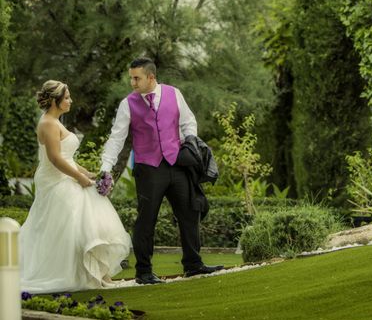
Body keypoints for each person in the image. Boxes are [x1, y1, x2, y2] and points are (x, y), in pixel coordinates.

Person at [100, 57, 222, 285]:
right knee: (147, 220)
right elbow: (117, 139)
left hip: (177, 163)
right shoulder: (128, 104)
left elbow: (188, 122)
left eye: (137, 78)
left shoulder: (174, 94)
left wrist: (191, 142)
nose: (133, 83)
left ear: (151, 77)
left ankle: (193, 265)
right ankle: (144, 272)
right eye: (131, 78)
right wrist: (106, 167)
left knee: (189, 212)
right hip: (148, 168)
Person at [20, 80, 131, 294]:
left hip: (66, 175)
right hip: (56, 180)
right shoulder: (48, 124)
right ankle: (77, 273)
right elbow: (55, 159)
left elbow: (66, 157)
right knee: (72, 225)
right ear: (55, 101)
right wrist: (79, 178)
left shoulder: (55, 121)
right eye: (67, 97)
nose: (71, 101)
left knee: (85, 224)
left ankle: (96, 274)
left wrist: (86, 173)